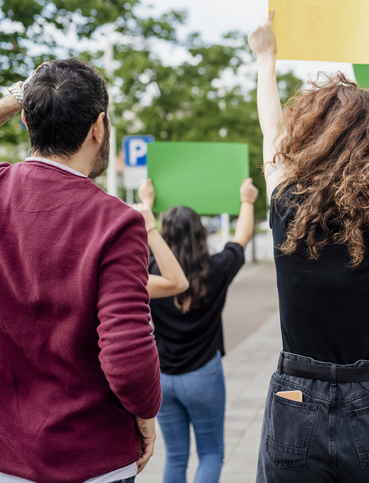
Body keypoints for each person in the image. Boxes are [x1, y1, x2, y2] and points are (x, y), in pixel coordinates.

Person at [250, 2, 369, 481]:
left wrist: (266, 61)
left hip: (294, 397)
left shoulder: (288, 206)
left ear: (306, 136)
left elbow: (270, 133)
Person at [0, 59, 161, 483]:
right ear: (99, 126)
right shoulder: (117, 220)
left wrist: (17, 99)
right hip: (92, 458)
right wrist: (145, 411)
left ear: (27, 124)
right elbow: (127, 356)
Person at [144, 178, 258, 483]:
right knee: (210, 453)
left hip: (163, 377)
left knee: (176, 457)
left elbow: (145, 237)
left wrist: (148, 203)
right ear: (200, 233)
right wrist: (246, 200)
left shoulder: (151, 270)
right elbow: (242, 238)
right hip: (203, 375)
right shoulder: (217, 268)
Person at [132, 179, 189, 299]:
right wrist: (150, 228)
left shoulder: (150, 265)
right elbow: (178, 283)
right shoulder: (219, 265)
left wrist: (147, 203)